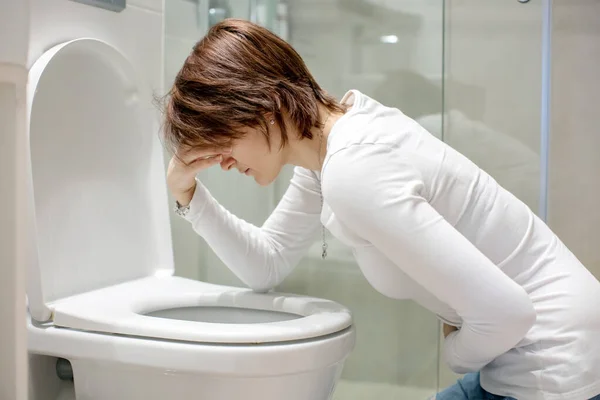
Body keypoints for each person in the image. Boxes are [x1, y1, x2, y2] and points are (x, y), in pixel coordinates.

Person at [161, 19, 600, 400]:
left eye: (221, 135)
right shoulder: (335, 147)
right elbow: (267, 262)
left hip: (553, 359)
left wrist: (454, 348)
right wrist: (187, 194)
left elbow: (508, 313)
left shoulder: (355, 168)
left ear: (264, 107)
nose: (221, 158)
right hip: (532, 349)